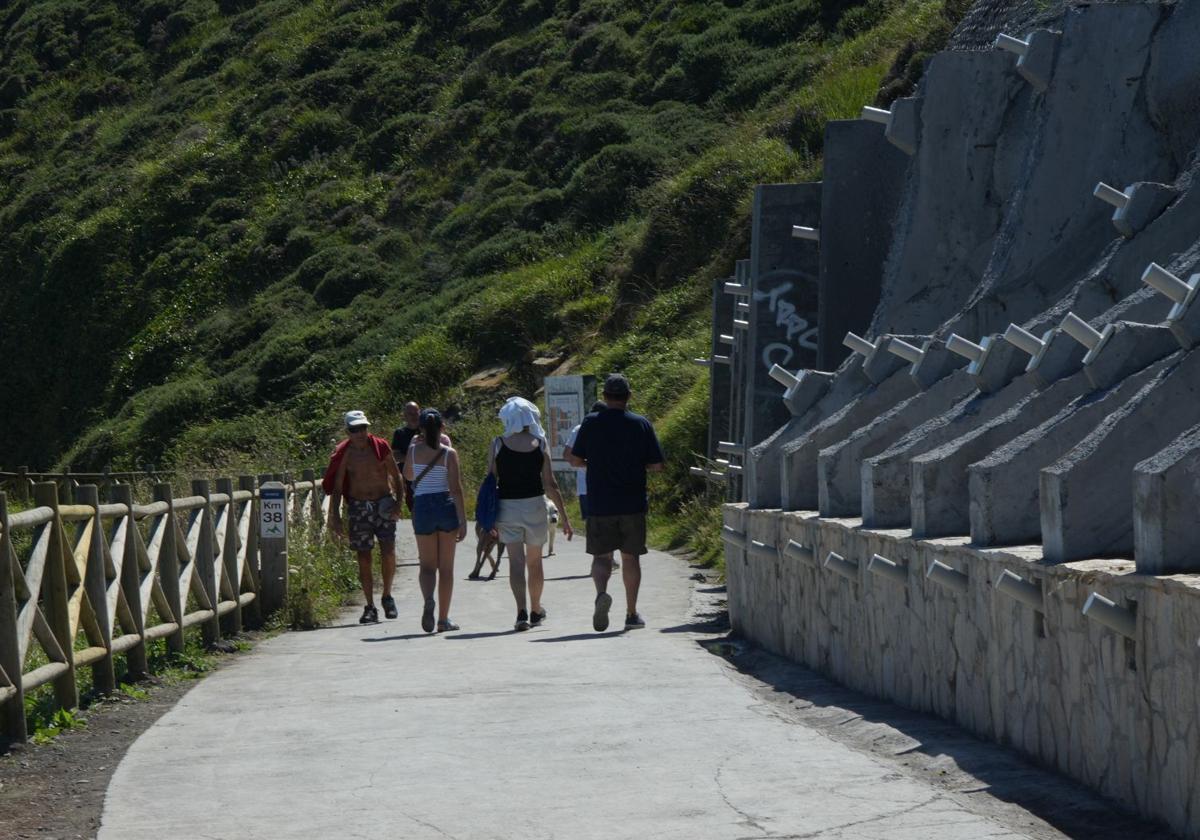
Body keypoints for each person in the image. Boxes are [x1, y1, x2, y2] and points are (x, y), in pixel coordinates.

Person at [567, 375, 664, 632]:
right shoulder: (641, 424)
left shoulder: (591, 423)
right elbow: (657, 465)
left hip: (599, 502)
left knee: (602, 557)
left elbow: (575, 460)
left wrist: (594, 465)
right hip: (632, 502)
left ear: (606, 396)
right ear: (628, 396)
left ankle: (601, 594)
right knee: (630, 558)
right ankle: (631, 614)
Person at [489, 396, 572, 631]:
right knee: (535, 563)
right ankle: (536, 610)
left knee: (516, 562)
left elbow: (490, 481)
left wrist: (489, 515)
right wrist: (564, 516)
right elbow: (550, 484)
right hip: (535, 506)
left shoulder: (498, 444)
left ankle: (521, 613)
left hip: (507, 507)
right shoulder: (540, 443)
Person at [324, 411, 404, 624]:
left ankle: (387, 596)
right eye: (354, 429)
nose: (360, 433)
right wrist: (335, 518)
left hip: (383, 503)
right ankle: (369, 606)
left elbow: (396, 476)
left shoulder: (380, 447)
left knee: (388, 550)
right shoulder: (345, 454)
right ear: (347, 432)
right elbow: (338, 486)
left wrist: (398, 503)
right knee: (364, 557)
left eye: (363, 428)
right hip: (358, 508)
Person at [403, 408, 467, 633]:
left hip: (423, 507)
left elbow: (409, 476)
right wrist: (463, 519)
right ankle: (443, 619)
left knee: (427, 566)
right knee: (446, 569)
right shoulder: (449, 453)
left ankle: (428, 599)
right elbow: (456, 488)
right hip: (445, 505)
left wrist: (414, 445)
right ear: (443, 428)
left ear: (419, 429)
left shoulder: (412, 452)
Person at [563, 401, 617, 569]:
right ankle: (608, 557)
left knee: (593, 522)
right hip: (608, 484)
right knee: (610, 521)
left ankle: (599, 557)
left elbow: (567, 455)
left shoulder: (580, 429)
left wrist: (586, 464)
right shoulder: (612, 429)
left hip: (585, 486)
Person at [392, 401, 452, 514]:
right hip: (410, 478)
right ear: (404, 416)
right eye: (410, 414)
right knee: (414, 509)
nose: (414, 416)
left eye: (416, 413)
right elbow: (395, 455)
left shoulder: (428, 430)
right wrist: (414, 458)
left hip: (433, 477)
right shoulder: (400, 433)